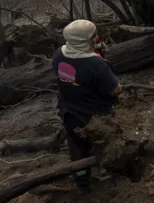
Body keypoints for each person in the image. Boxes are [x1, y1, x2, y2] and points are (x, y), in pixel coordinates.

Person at [52, 19, 123, 191]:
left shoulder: (59, 55)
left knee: (76, 146)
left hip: (69, 110)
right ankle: (110, 172)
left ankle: (82, 182)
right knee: (105, 142)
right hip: (96, 114)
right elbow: (114, 90)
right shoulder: (96, 64)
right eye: (93, 36)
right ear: (86, 41)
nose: (97, 38)